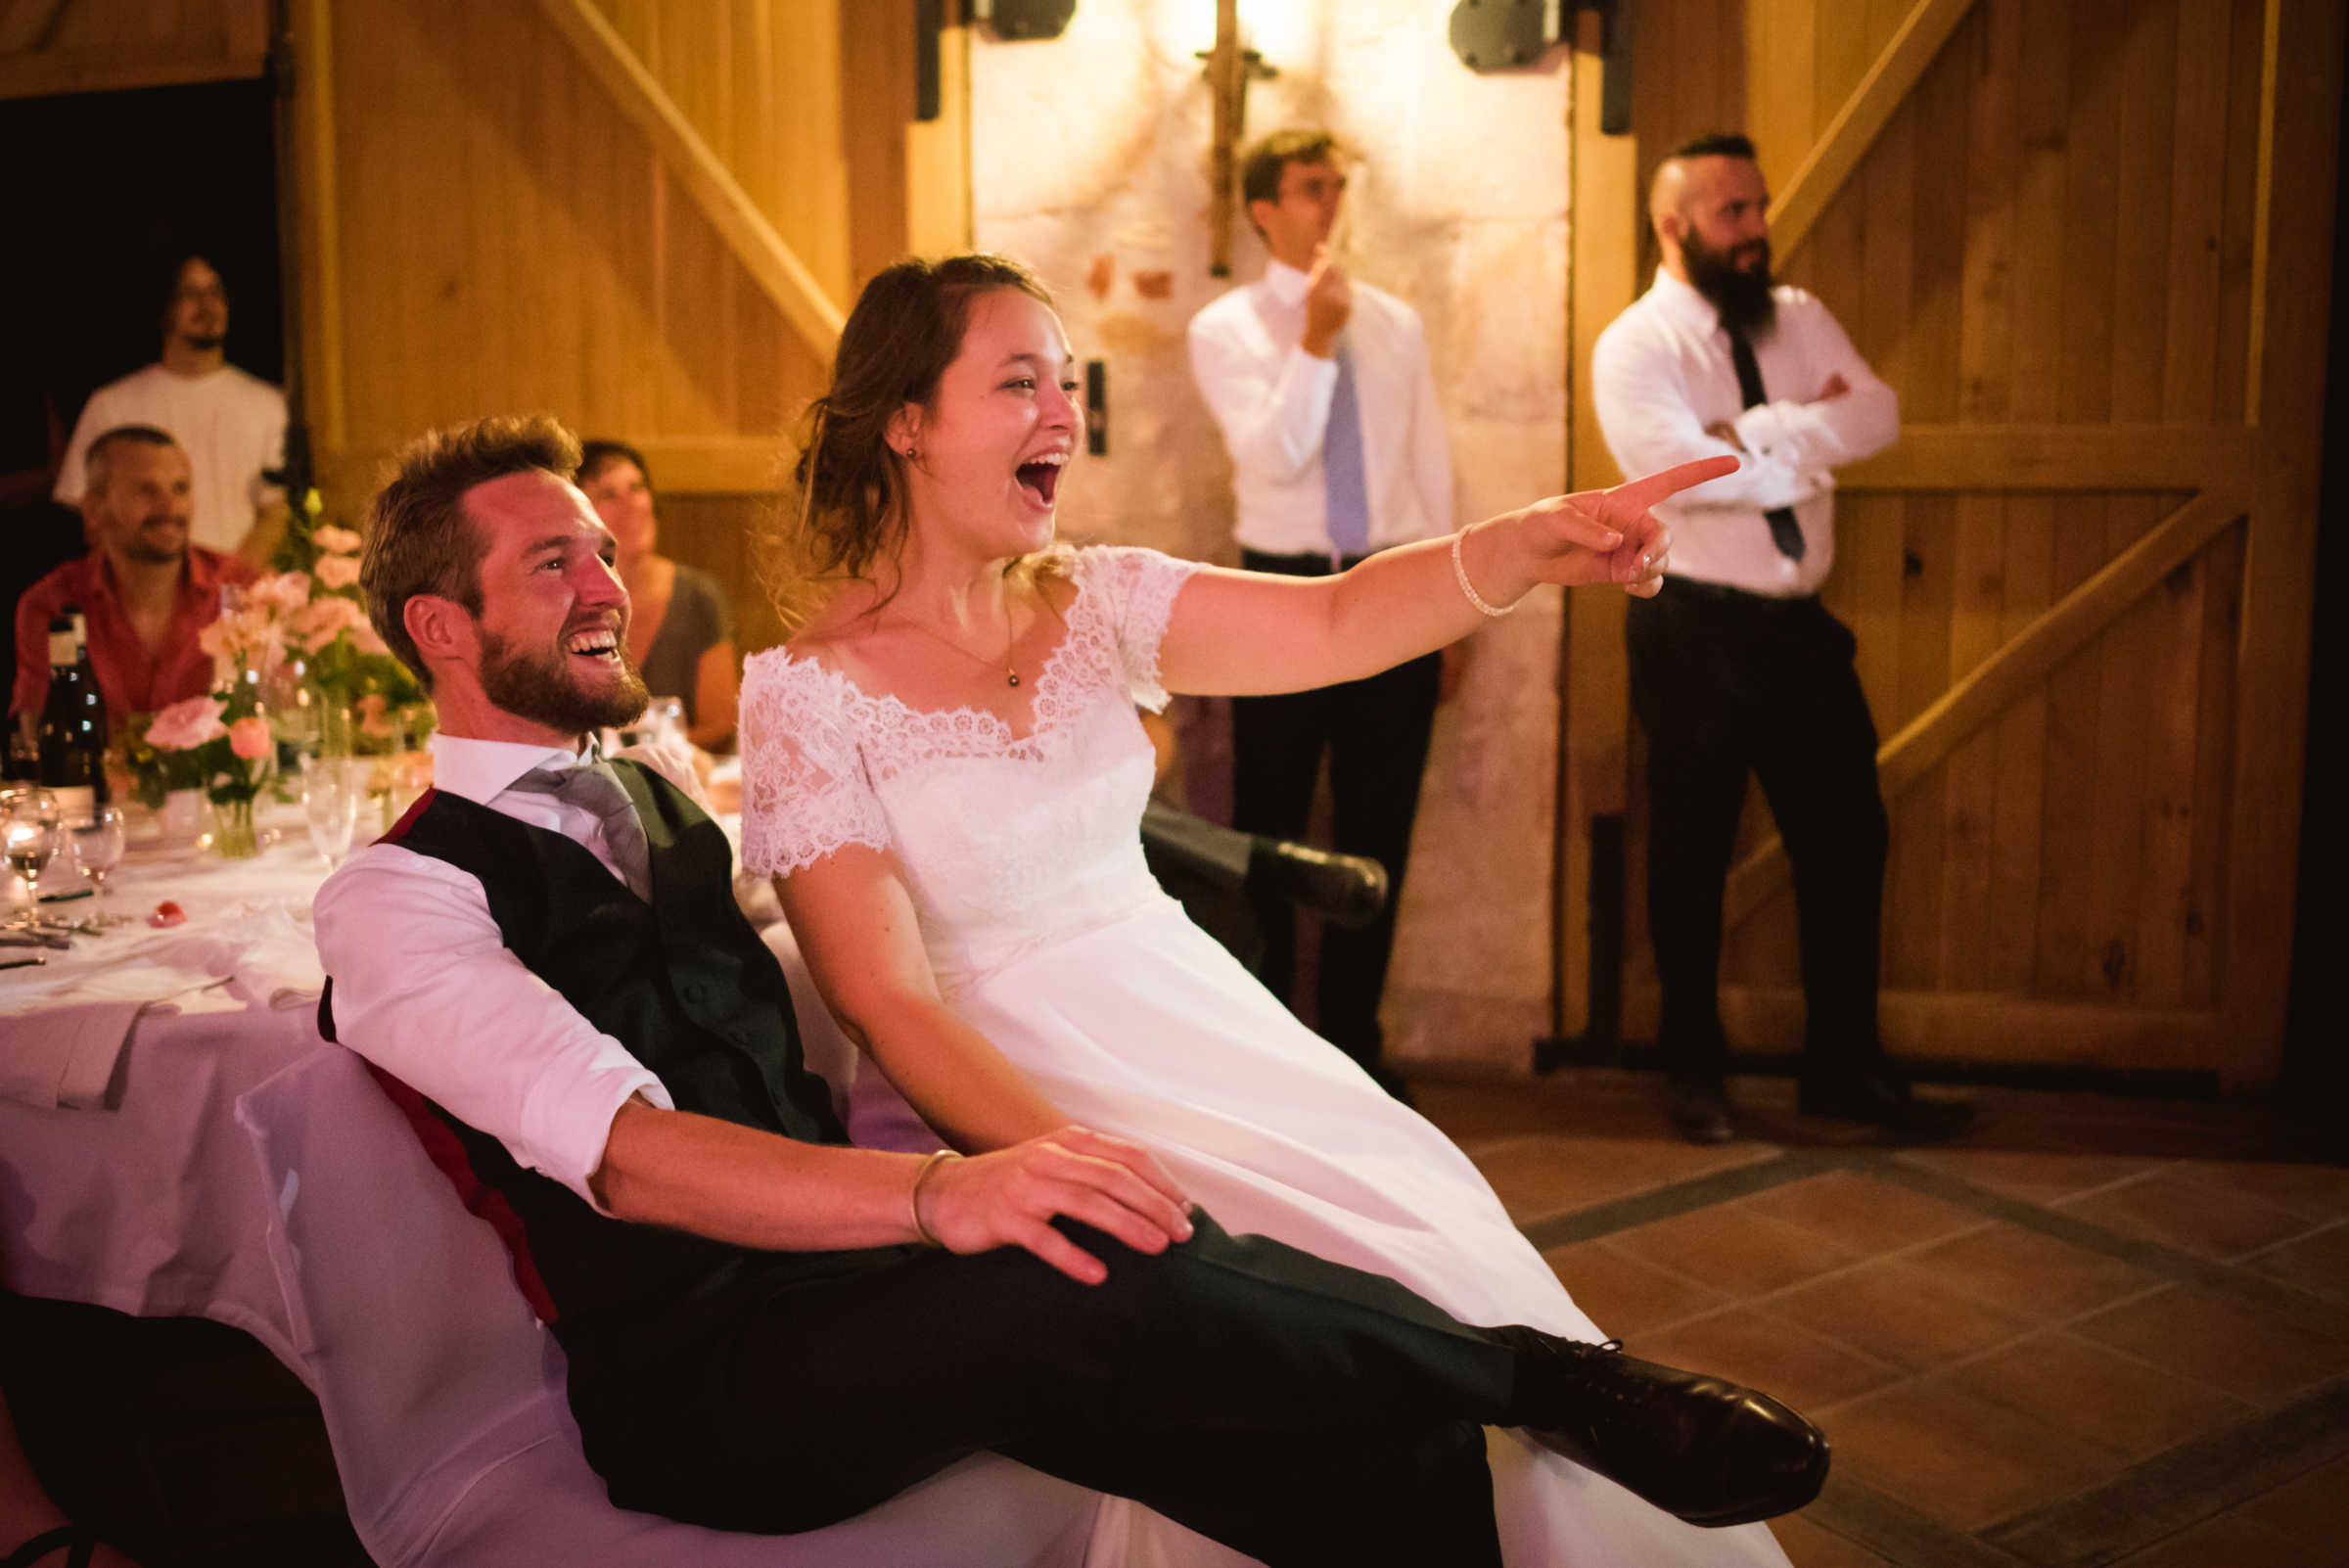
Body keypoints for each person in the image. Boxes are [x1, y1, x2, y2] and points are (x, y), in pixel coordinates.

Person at [314, 410, 1824, 1565]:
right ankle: (1555, 1382)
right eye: (554, 563)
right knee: (1085, 1245)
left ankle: (1485, 1413)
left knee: (1344, 1435)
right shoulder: (395, 896)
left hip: (849, 1290)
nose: (608, 583)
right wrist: (944, 1192)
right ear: (440, 626)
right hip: (707, 1381)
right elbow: (633, 1160)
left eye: (602, 548)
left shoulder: (651, 792)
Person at [740, 253, 1805, 1566]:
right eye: (1018, 383)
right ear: (905, 421)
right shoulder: (805, 696)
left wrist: (1523, 545)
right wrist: (1070, 1158)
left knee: (1433, 1229)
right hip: (1026, 1077)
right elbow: (884, 999)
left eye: (1068, 384)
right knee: (1307, 1308)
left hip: (1202, 1018)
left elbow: (1337, 621)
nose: (1062, 414)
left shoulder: (1094, 599)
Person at [1589, 133, 1973, 1145]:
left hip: (1801, 630)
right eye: (1734, 213)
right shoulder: (1636, 346)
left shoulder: (1798, 315)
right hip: (1692, 628)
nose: (1758, 229)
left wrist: (1756, 435)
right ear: (1672, 226)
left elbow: (1879, 415)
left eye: (1759, 207)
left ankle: (1844, 1070)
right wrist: (1806, 439)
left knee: (1848, 843)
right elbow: (1683, 478)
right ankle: (1694, 1073)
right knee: (1691, 854)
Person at [1185, 129, 1454, 1098]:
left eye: (1337, 186)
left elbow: (1427, 464)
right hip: (1282, 590)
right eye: (1309, 188)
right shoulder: (1224, 329)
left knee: (1379, 827)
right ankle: (1268, 1055)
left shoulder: (1396, 322)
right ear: (1264, 211)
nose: (1330, 203)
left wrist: (1451, 602)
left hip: (1392, 583)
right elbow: (1275, 455)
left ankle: (1354, 1049)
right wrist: (1316, 339)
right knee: (1269, 816)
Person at [11, 426, 254, 725]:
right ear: (94, 509)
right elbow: (38, 732)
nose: (169, 507)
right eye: (147, 491)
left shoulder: (242, 589)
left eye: (180, 488)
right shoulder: (51, 606)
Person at [51, 255, 287, 563]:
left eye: (215, 292)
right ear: (165, 308)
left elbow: (277, 510)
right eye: (190, 294)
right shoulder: (112, 405)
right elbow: (88, 512)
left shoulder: (267, 403)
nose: (207, 305)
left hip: (236, 585)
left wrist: (228, 580)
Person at [574, 439, 740, 749]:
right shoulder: (566, 603)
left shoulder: (697, 597)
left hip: (678, 773)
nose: (631, 505)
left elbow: (720, 725)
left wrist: (640, 758)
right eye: (609, 495)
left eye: (636, 488)